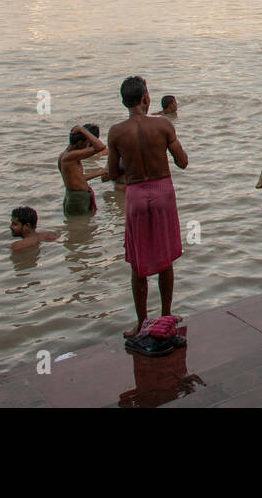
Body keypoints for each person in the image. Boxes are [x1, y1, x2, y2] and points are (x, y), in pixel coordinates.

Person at [107, 75, 188, 337]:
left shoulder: (116, 132)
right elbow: (183, 162)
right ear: (146, 99)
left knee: (137, 263)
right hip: (163, 192)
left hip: (136, 196)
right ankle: (166, 315)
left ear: (124, 102)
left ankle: (141, 322)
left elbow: (111, 171)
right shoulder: (163, 125)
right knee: (165, 259)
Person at [58, 123, 105, 215]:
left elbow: (79, 179)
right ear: (80, 143)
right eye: (88, 144)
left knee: (82, 225)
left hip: (75, 196)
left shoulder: (66, 155)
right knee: (82, 226)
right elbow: (100, 147)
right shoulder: (70, 156)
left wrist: (100, 172)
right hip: (78, 199)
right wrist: (81, 129)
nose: (88, 147)